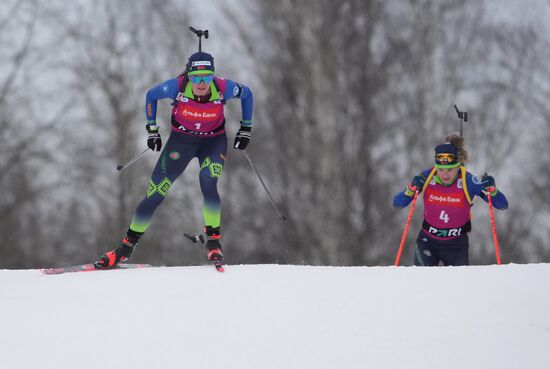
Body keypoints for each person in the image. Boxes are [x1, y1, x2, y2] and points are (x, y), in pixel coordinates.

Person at [94, 50, 253, 268]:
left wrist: (246, 128)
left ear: (212, 76)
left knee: (208, 182)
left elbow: (247, 94)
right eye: (196, 77)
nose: (201, 83)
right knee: (155, 193)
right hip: (181, 143)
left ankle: (214, 242)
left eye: (206, 77)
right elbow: (151, 95)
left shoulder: (223, 87)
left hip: (213, 143)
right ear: (189, 75)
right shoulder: (176, 87)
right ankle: (125, 248)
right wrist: (152, 130)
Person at [393, 133, 508, 266]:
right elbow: (397, 203)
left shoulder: (468, 181)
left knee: (458, 286)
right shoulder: (427, 177)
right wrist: (411, 189)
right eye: (441, 170)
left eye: (450, 169)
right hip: (427, 242)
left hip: (456, 246)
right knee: (421, 282)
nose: (445, 174)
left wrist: (493, 190)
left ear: (458, 166)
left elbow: (502, 205)